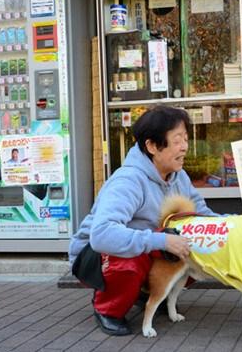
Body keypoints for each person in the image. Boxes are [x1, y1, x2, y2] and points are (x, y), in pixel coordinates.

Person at [68, 106, 217, 336]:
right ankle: (108, 308)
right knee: (131, 262)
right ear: (152, 146)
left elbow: (203, 216)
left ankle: (146, 294)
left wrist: (241, 227)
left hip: (146, 248)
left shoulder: (179, 176)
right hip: (96, 256)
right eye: (177, 140)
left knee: (197, 243)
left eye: (186, 139)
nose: (185, 147)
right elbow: (102, 235)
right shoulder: (128, 180)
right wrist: (162, 241)